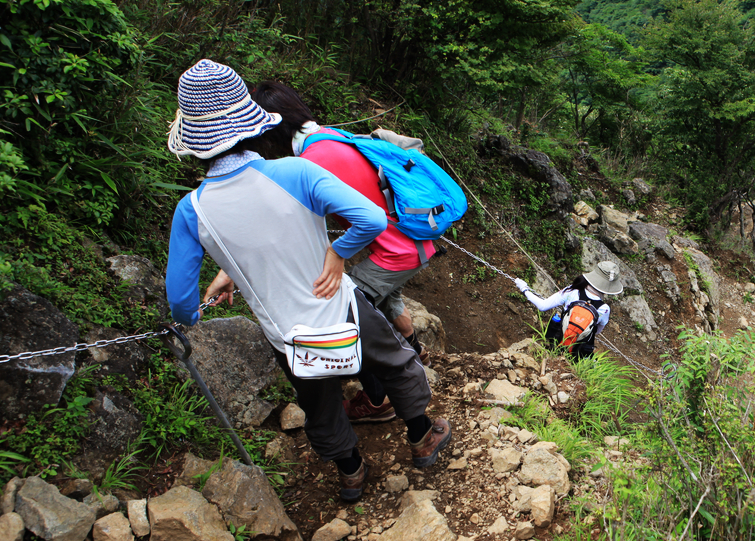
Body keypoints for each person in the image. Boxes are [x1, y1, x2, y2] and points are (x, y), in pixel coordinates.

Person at [165, 60, 450, 502]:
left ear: (196, 142)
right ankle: (422, 438)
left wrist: (231, 273)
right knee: (396, 363)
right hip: (341, 306)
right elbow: (371, 218)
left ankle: (352, 473)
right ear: (251, 124)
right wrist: (337, 253)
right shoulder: (296, 173)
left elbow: (183, 307)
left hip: (286, 333)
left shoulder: (192, 210)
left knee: (318, 402)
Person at [250, 81, 434, 425]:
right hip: (409, 244)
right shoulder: (330, 138)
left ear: (273, 126)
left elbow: (361, 221)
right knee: (389, 304)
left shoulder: (313, 159)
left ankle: (378, 399)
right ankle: (417, 354)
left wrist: (337, 251)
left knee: (346, 312)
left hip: (394, 252)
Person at [514, 262, 623, 360]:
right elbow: (597, 331)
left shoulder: (572, 291)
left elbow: (542, 306)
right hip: (580, 354)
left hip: (557, 342)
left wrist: (524, 289)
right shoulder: (604, 309)